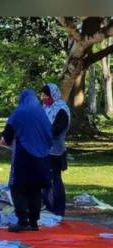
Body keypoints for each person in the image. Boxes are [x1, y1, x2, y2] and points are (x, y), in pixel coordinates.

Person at [0, 89, 53, 232]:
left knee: (17, 187)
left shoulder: (19, 113)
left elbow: (7, 136)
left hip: (24, 156)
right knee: (35, 189)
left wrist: (4, 141)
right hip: (42, 158)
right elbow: (50, 134)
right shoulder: (42, 114)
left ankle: (22, 220)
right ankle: (34, 222)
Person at [41, 83, 70, 217]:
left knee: (55, 179)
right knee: (44, 179)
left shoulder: (61, 109)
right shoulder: (46, 107)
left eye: (46, 95)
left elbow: (57, 130)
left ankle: (58, 209)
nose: (43, 98)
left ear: (53, 95)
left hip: (55, 151)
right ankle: (47, 206)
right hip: (43, 150)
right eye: (42, 95)